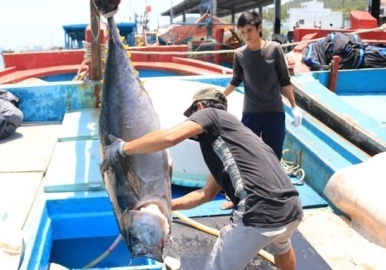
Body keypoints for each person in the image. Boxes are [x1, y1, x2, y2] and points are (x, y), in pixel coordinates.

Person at [100, 87, 304, 270]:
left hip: (259, 211)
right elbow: (205, 195)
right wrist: (166, 206)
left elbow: (169, 137)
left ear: (200, 107)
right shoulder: (236, 137)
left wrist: (123, 149)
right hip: (292, 208)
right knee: (282, 248)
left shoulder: (210, 114)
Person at [223, 10, 302, 161]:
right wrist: (221, 96)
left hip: (274, 113)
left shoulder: (274, 49)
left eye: (249, 30)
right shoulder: (239, 54)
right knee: (248, 156)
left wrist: (294, 107)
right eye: (243, 32)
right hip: (251, 114)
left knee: (273, 157)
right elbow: (235, 80)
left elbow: (284, 80)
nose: (246, 35)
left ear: (259, 28)